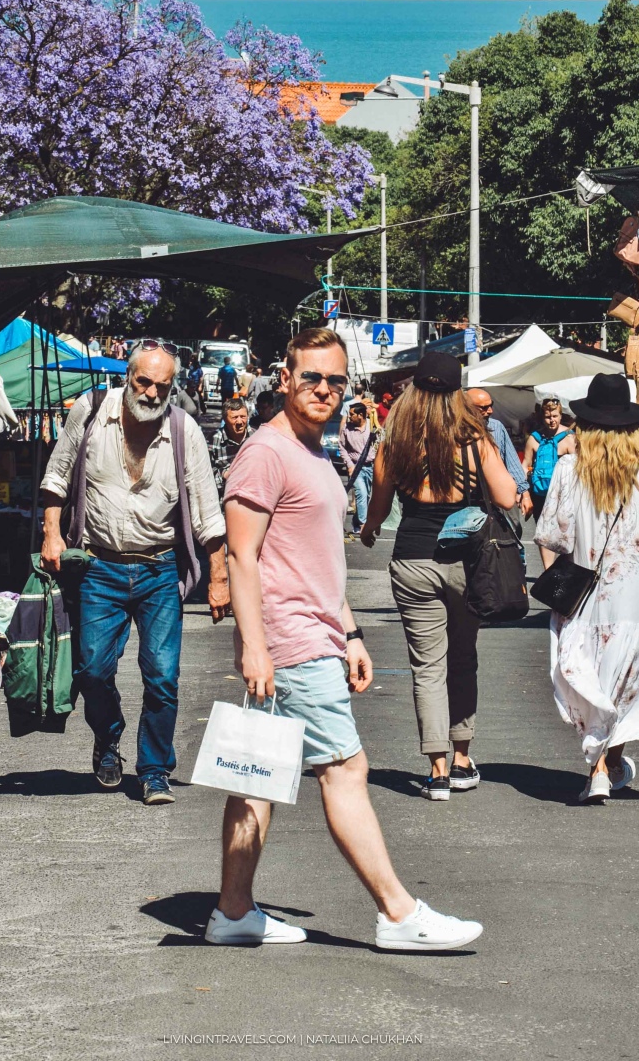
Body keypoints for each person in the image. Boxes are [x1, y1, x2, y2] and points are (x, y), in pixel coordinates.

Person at [205, 327, 483, 952]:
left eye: (335, 380)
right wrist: (256, 646)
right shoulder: (266, 453)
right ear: (284, 379)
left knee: (261, 772)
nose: (324, 390)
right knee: (345, 767)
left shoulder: (313, 450)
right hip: (288, 638)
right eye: (312, 378)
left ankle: (231, 912)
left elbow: (316, 558)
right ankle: (398, 913)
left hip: (314, 632)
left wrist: (351, 631)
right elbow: (242, 557)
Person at [40, 343, 230, 806]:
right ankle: (108, 739)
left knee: (162, 676)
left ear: (172, 388)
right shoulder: (90, 411)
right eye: (143, 382)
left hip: (159, 570)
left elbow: (208, 509)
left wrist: (219, 576)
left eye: (161, 386)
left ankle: (153, 770)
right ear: (128, 376)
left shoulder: (184, 431)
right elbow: (57, 476)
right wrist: (51, 533)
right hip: (100, 566)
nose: (150, 393)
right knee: (91, 670)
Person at [535, 374, 639, 804]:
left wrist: (557, 587)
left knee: (591, 677)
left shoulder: (571, 468)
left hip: (584, 600)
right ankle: (607, 763)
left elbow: (552, 534)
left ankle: (598, 768)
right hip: (635, 598)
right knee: (625, 680)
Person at [361, 351, 516, 802]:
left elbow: (379, 507)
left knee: (426, 667)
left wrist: (370, 530)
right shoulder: (473, 439)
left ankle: (436, 770)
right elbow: (506, 496)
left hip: (412, 560)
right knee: (463, 658)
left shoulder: (396, 441)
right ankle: (464, 759)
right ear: (456, 394)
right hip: (465, 564)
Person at [524, 397, 576, 568]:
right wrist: (523, 493)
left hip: (565, 495)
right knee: (544, 532)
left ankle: (565, 568)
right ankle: (548, 570)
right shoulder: (534, 438)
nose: (552, 420)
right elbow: (526, 465)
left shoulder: (569, 438)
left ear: (561, 416)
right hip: (540, 493)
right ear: (542, 417)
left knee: (565, 532)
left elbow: (579, 468)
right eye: (548, 417)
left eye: (555, 416)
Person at [467, 388, 533, 521]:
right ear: (467, 408)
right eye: (484, 408)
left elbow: (511, 461)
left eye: (491, 405)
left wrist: (525, 494)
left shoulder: (496, 427)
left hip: (497, 498)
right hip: (467, 501)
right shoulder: (454, 430)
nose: (490, 411)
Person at [339, 401, 377, 536]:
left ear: (360, 415)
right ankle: (363, 524)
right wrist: (349, 465)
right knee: (360, 493)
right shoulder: (346, 429)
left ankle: (356, 522)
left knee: (367, 496)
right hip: (356, 467)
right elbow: (342, 448)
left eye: (351, 414)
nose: (349, 417)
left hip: (372, 466)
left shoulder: (373, 426)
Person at [210, 397, 253, 496]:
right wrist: (224, 474)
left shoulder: (258, 438)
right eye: (234, 417)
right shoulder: (213, 440)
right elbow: (205, 471)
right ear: (225, 419)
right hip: (224, 500)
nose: (239, 422)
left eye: (243, 417)